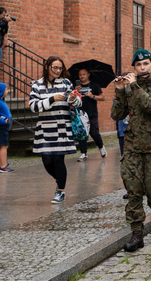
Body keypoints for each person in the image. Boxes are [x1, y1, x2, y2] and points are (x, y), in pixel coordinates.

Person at [111, 49, 151, 252]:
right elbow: (117, 114)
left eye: (146, 64)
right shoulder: (129, 87)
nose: (142, 68)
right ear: (135, 67)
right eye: (138, 65)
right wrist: (120, 90)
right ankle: (137, 233)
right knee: (134, 191)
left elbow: (150, 106)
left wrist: (133, 86)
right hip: (133, 146)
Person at [29, 56, 81, 203]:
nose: (58, 71)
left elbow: (78, 102)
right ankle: (60, 180)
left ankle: (60, 191)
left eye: (60, 68)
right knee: (47, 161)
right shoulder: (37, 85)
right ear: (47, 67)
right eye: (55, 68)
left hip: (61, 128)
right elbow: (33, 106)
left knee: (58, 160)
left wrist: (72, 99)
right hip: (45, 129)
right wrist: (52, 99)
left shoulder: (66, 83)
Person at [75, 68, 107, 161]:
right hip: (80, 113)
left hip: (92, 113)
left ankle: (101, 147)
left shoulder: (94, 85)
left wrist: (92, 96)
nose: (81, 76)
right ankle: (83, 153)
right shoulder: (77, 86)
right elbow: (72, 99)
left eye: (83, 74)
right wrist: (75, 92)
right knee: (82, 133)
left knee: (94, 133)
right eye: (80, 74)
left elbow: (102, 97)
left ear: (88, 74)